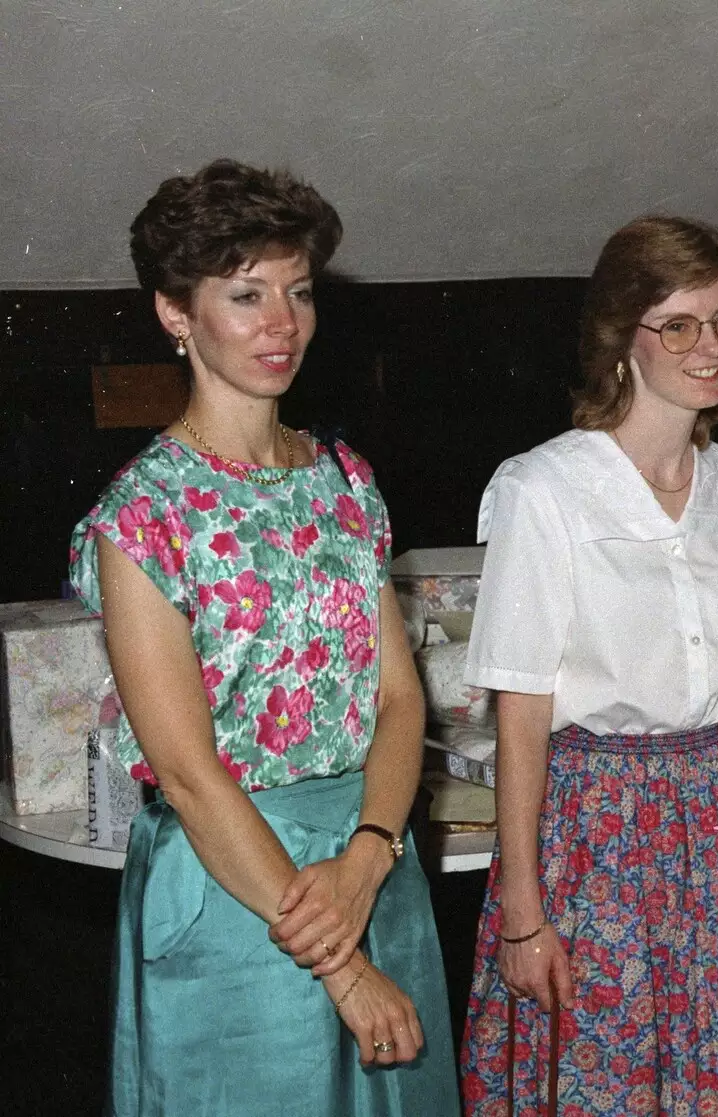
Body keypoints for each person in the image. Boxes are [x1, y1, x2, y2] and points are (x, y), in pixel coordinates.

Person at [69, 159, 456, 1114]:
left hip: (372, 861)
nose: (281, 323)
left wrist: (370, 858)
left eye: (298, 291)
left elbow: (401, 699)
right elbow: (192, 775)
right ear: (175, 313)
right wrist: (343, 968)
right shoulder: (143, 518)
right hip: (238, 897)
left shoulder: (345, 482)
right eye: (245, 295)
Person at [457, 216, 718, 1115]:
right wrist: (525, 910)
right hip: (594, 830)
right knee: (598, 1075)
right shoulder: (543, 489)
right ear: (621, 339)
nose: (709, 346)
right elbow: (520, 710)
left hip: (712, 823)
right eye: (678, 324)